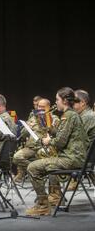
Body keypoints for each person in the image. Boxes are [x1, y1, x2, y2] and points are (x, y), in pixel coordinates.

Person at [26, 87, 87, 216]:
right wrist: (48, 128)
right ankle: (52, 195)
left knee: (32, 167)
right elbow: (61, 134)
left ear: (64, 100)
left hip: (71, 159)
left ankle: (43, 205)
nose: (56, 102)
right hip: (73, 157)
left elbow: (60, 142)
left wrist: (47, 141)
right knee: (41, 162)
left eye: (57, 99)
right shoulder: (70, 115)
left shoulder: (69, 116)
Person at [13, 98, 59, 183]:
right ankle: (37, 170)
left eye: (42, 107)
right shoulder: (33, 118)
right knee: (16, 157)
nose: (39, 108)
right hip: (31, 148)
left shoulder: (54, 118)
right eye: (38, 106)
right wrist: (27, 128)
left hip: (45, 148)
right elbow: (23, 135)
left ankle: (36, 171)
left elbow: (58, 134)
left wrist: (48, 126)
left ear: (48, 107)